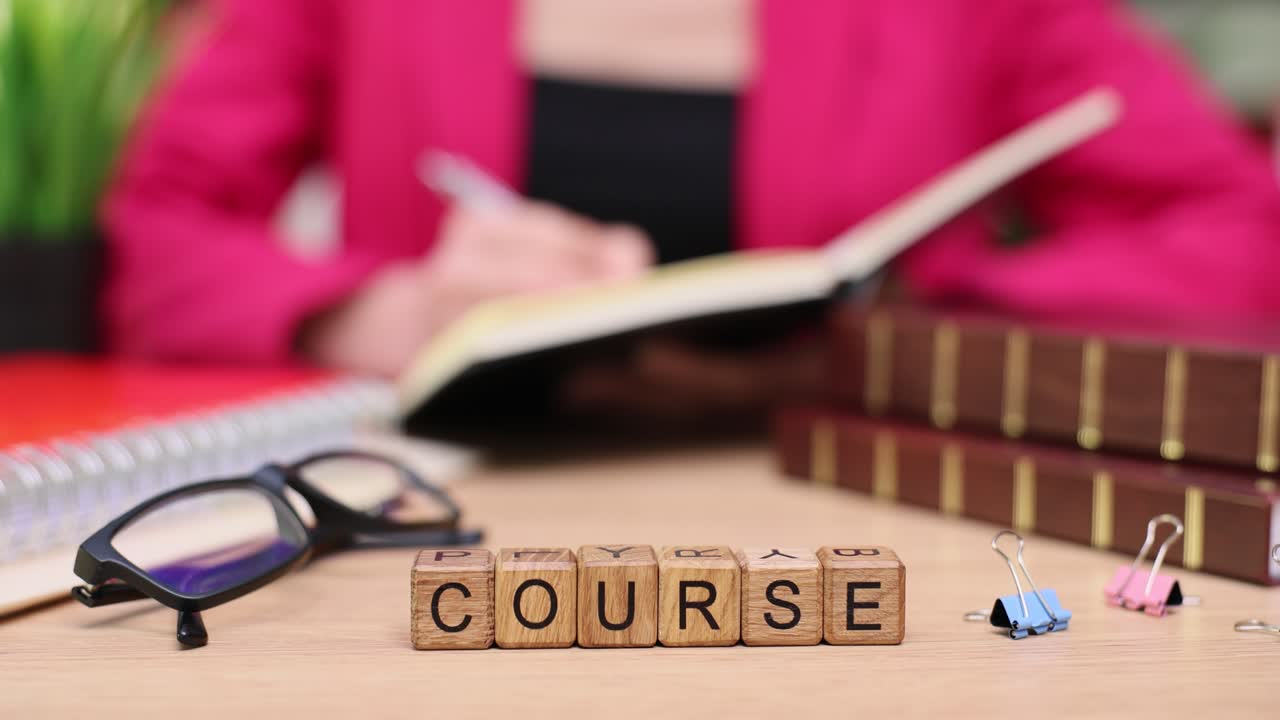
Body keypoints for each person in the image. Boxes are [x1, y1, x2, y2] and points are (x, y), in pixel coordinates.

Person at [105, 0, 1280, 402]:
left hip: (846, 523)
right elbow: (154, 236)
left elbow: (1243, 236)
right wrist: (385, 315)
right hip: (422, 531)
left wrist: (915, 326)